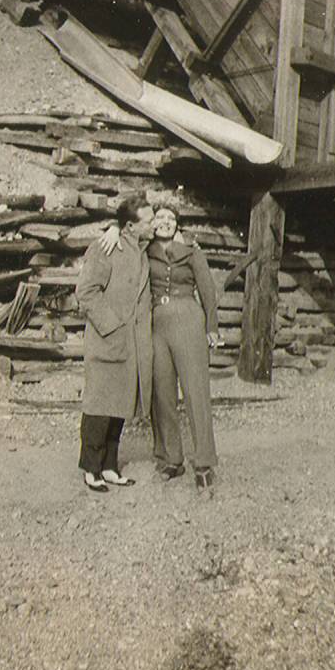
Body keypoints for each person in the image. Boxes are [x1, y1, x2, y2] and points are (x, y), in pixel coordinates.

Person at [100, 203, 220, 491]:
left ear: (178, 224)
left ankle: (204, 462)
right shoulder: (144, 249)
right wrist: (115, 227)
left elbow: (208, 291)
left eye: (171, 218)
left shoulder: (192, 251)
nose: (166, 222)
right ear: (153, 224)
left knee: (196, 391)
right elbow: (126, 232)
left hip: (189, 319)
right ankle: (170, 459)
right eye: (161, 218)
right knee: (162, 394)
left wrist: (212, 327)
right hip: (156, 326)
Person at [75, 193, 155, 493]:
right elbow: (86, 292)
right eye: (148, 220)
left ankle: (109, 466)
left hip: (131, 345)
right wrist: (112, 326)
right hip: (108, 341)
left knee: (119, 406)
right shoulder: (106, 248)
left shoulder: (142, 249)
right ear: (131, 226)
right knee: (99, 406)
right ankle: (90, 468)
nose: (153, 225)